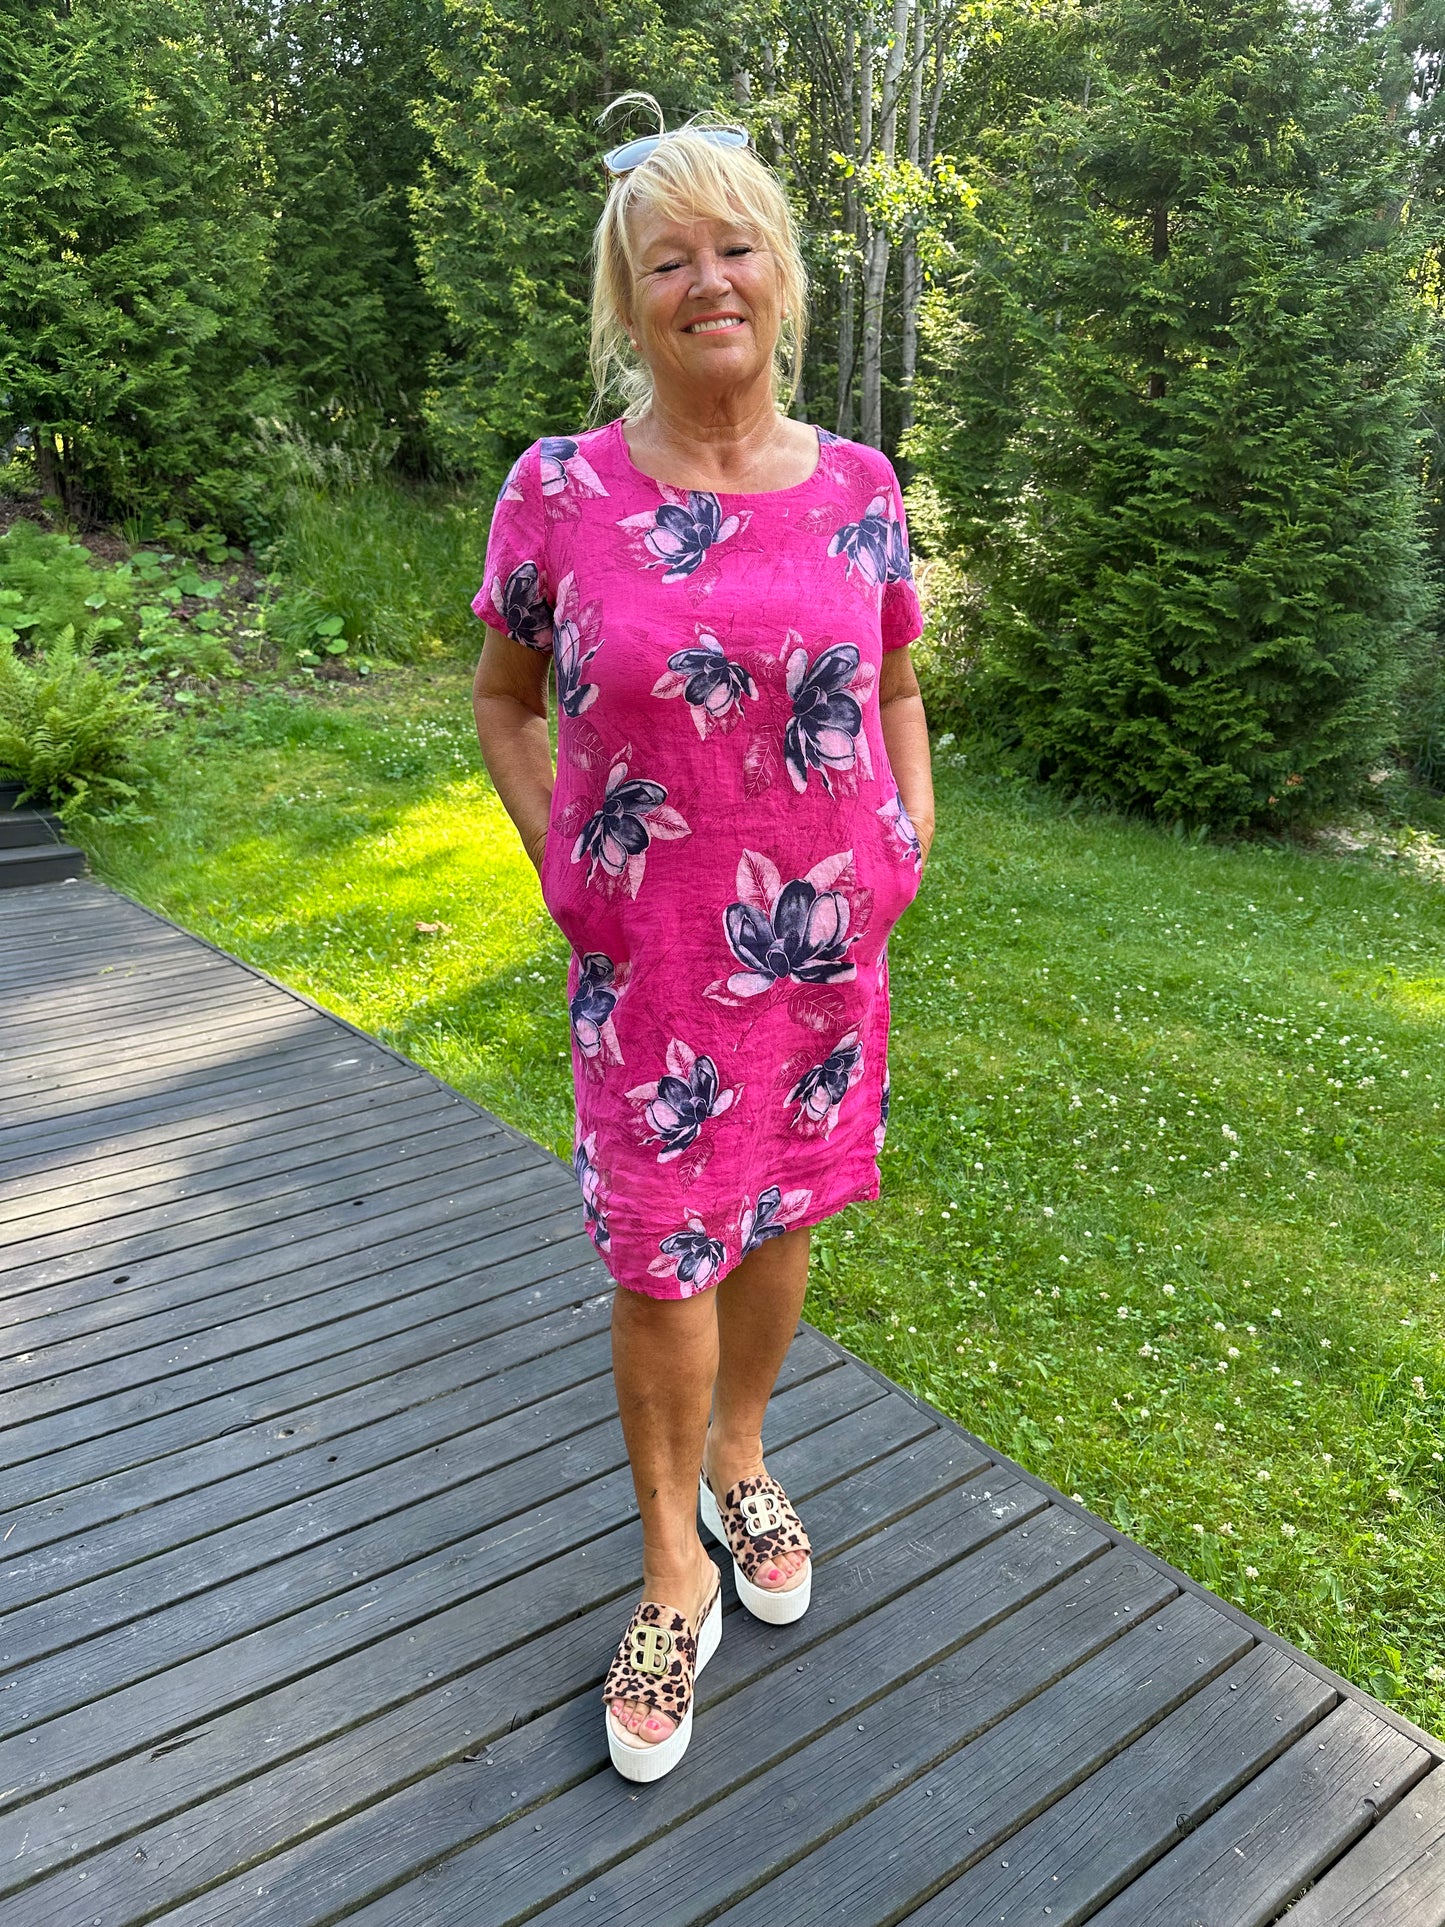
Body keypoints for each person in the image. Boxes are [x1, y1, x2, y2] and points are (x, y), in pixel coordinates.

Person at [470, 99, 934, 1784]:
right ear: (629, 299)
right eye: (667, 260)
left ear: (781, 275)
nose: (707, 280)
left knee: (781, 1211)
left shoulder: (862, 489)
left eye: (734, 246)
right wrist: (566, 865)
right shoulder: (560, 490)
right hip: (651, 961)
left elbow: (894, 684)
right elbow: (504, 698)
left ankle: (743, 1457)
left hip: (821, 951)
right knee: (663, 1254)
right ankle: (673, 1565)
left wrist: (907, 834)